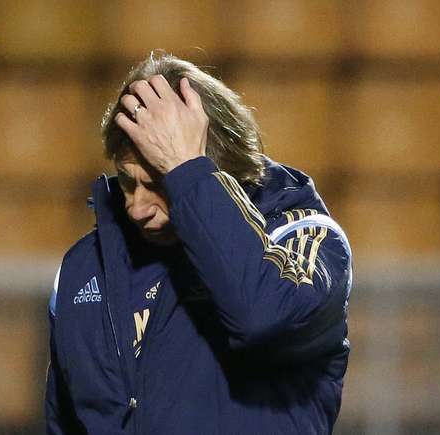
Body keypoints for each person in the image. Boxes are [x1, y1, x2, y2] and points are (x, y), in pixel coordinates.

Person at [45, 52, 352, 434]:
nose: (138, 208)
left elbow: (262, 317)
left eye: (159, 182)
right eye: (127, 182)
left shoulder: (304, 239)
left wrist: (186, 171)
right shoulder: (85, 269)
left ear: (217, 169)